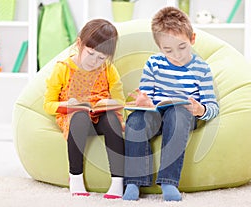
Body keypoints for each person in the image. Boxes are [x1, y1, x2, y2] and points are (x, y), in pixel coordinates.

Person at [123, 7, 219, 201]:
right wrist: (143, 101)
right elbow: (146, 96)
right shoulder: (153, 63)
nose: (176, 55)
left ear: (192, 39)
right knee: (135, 121)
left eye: (182, 47)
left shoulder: (201, 69)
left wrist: (200, 110)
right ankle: (133, 182)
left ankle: (168, 181)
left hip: (182, 115)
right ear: (159, 48)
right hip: (156, 113)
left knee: (178, 114)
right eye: (168, 50)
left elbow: (212, 107)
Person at [43, 19, 125, 199]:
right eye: (91, 53)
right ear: (80, 44)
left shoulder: (108, 69)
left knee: (112, 119)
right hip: (74, 118)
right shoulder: (63, 68)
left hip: (100, 115)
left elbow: (120, 101)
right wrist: (68, 105)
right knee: (79, 116)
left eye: (101, 58)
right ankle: (75, 177)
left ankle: (118, 181)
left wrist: (108, 104)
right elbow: (48, 104)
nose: (95, 61)